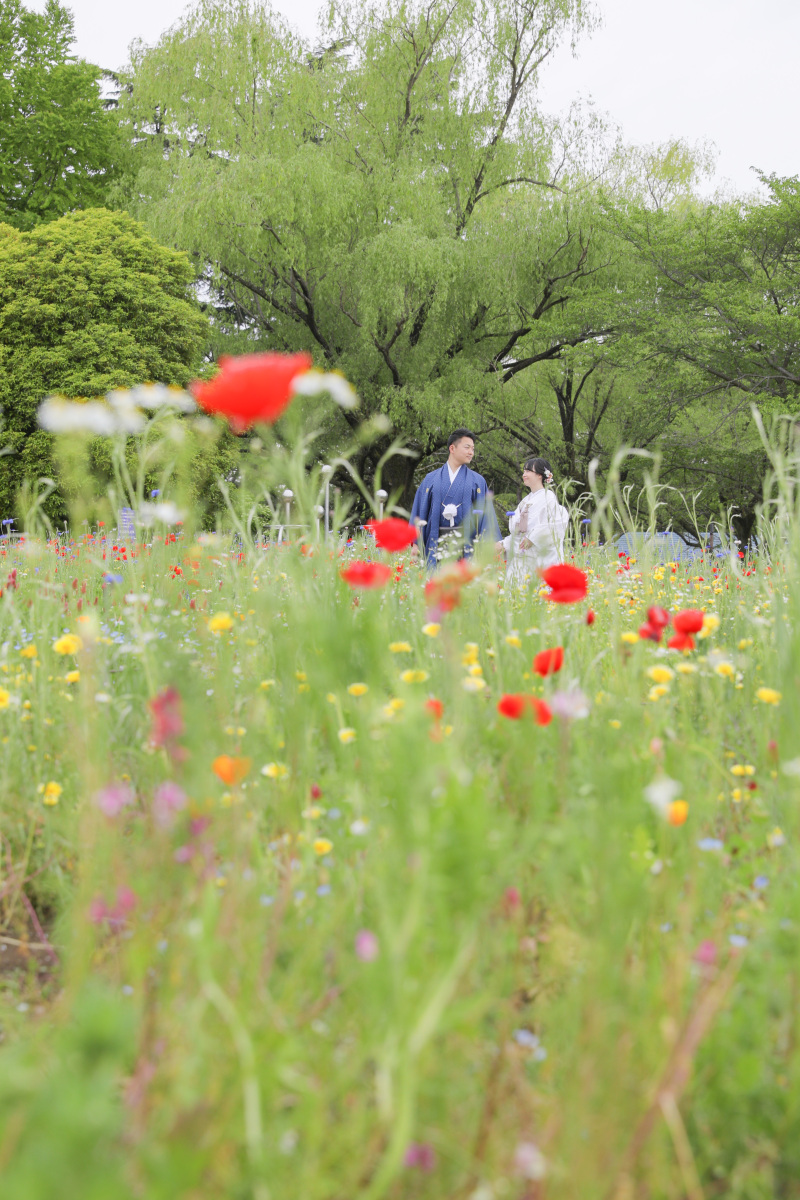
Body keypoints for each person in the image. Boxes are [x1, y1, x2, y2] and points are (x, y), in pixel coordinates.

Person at [410, 428, 499, 564]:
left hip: (467, 545)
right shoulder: (430, 479)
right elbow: (419, 511)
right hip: (436, 543)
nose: (471, 452)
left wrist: (490, 544)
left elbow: (486, 516)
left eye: (473, 449)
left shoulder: (477, 481)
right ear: (452, 448)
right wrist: (416, 543)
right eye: (467, 447)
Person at [499, 456, 570, 588]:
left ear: (539, 475)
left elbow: (554, 525)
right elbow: (518, 531)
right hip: (522, 556)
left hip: (538, 557)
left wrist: (533, 538)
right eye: (524, 471)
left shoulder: (548, 497)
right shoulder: (525, 500)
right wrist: (504, 544)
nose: (524, 474)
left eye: (528, 471)